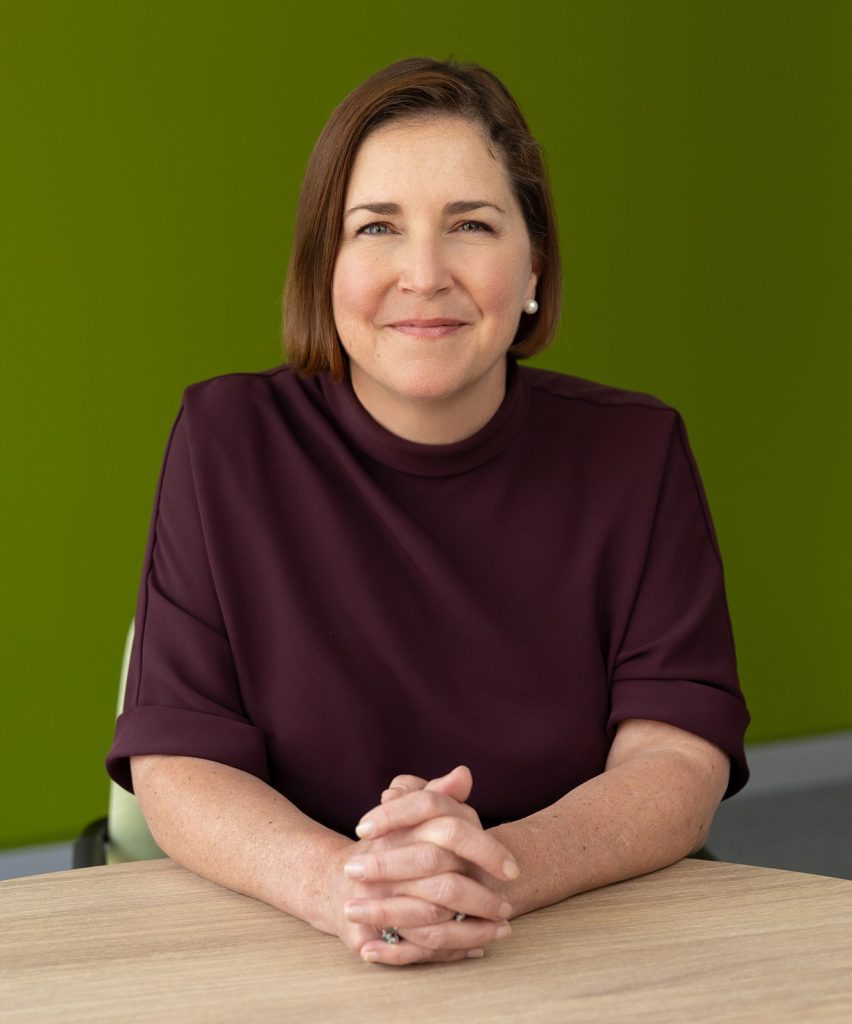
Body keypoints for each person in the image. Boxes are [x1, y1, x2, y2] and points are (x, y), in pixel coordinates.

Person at [106, 56, 749, 966]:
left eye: (471, 225)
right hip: (286, 939)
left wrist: (496, 871)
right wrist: (343, 884)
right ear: (324, 266)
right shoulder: (225, 441)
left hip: (571, 938)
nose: (423, 274)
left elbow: (678, 755)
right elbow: (177, 761)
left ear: (534, 262)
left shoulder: (637, 453)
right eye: (376, 227)